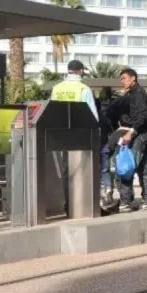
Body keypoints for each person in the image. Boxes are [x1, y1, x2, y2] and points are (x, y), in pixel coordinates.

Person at [50, 60, 98, 216]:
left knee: (67, 171)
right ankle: (80, 205)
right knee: (82, 170)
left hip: (62, 135)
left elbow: (52, 110)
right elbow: (93, 116)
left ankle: (68, 205)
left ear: (69, 70)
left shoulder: (57, 88)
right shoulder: (83, 88)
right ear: (80, 71)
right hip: (81, 135)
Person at [106, 68, 147, 212]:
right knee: (142, 167)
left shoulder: (138, 94)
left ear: (134, 78)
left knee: (126, 166)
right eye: (121, 79)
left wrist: (131, 132)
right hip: (142, 134)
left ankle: (126, 202)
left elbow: (143, 116)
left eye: (125, 78)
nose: (122, 81)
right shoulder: (132, 94)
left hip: (137, 134)